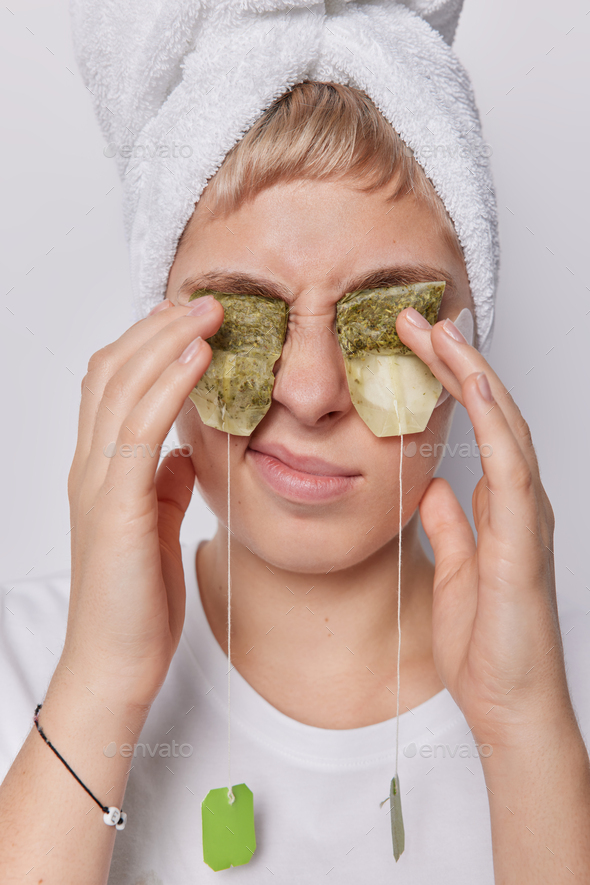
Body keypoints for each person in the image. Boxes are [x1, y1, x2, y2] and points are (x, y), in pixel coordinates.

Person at [1, 11, 590, 885]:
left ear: (467, 342)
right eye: (242, 317)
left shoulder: (563, 696)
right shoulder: (24, 658)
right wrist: (101, 688)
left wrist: (526, 729)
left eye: (384, 323)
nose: (310, 394)